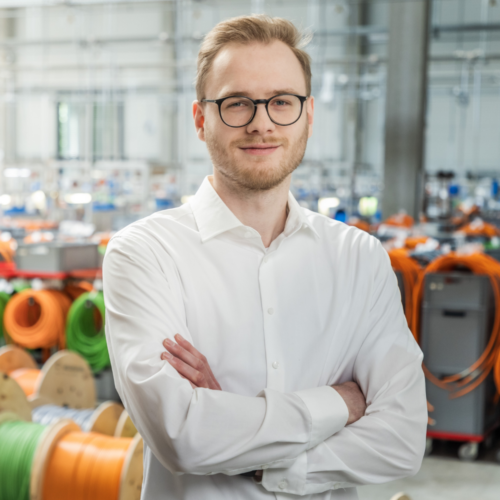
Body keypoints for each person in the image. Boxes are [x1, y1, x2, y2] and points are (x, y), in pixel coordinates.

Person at [104, 14, 427, 500]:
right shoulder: (145, 253)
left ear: (309, 115)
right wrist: (339, 404)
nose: (261, 122)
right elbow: (183, 435)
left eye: (282, 102)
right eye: (237, 103)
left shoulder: (359, 258)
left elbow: (401, 439)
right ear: (200, 119)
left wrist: (244, 441)